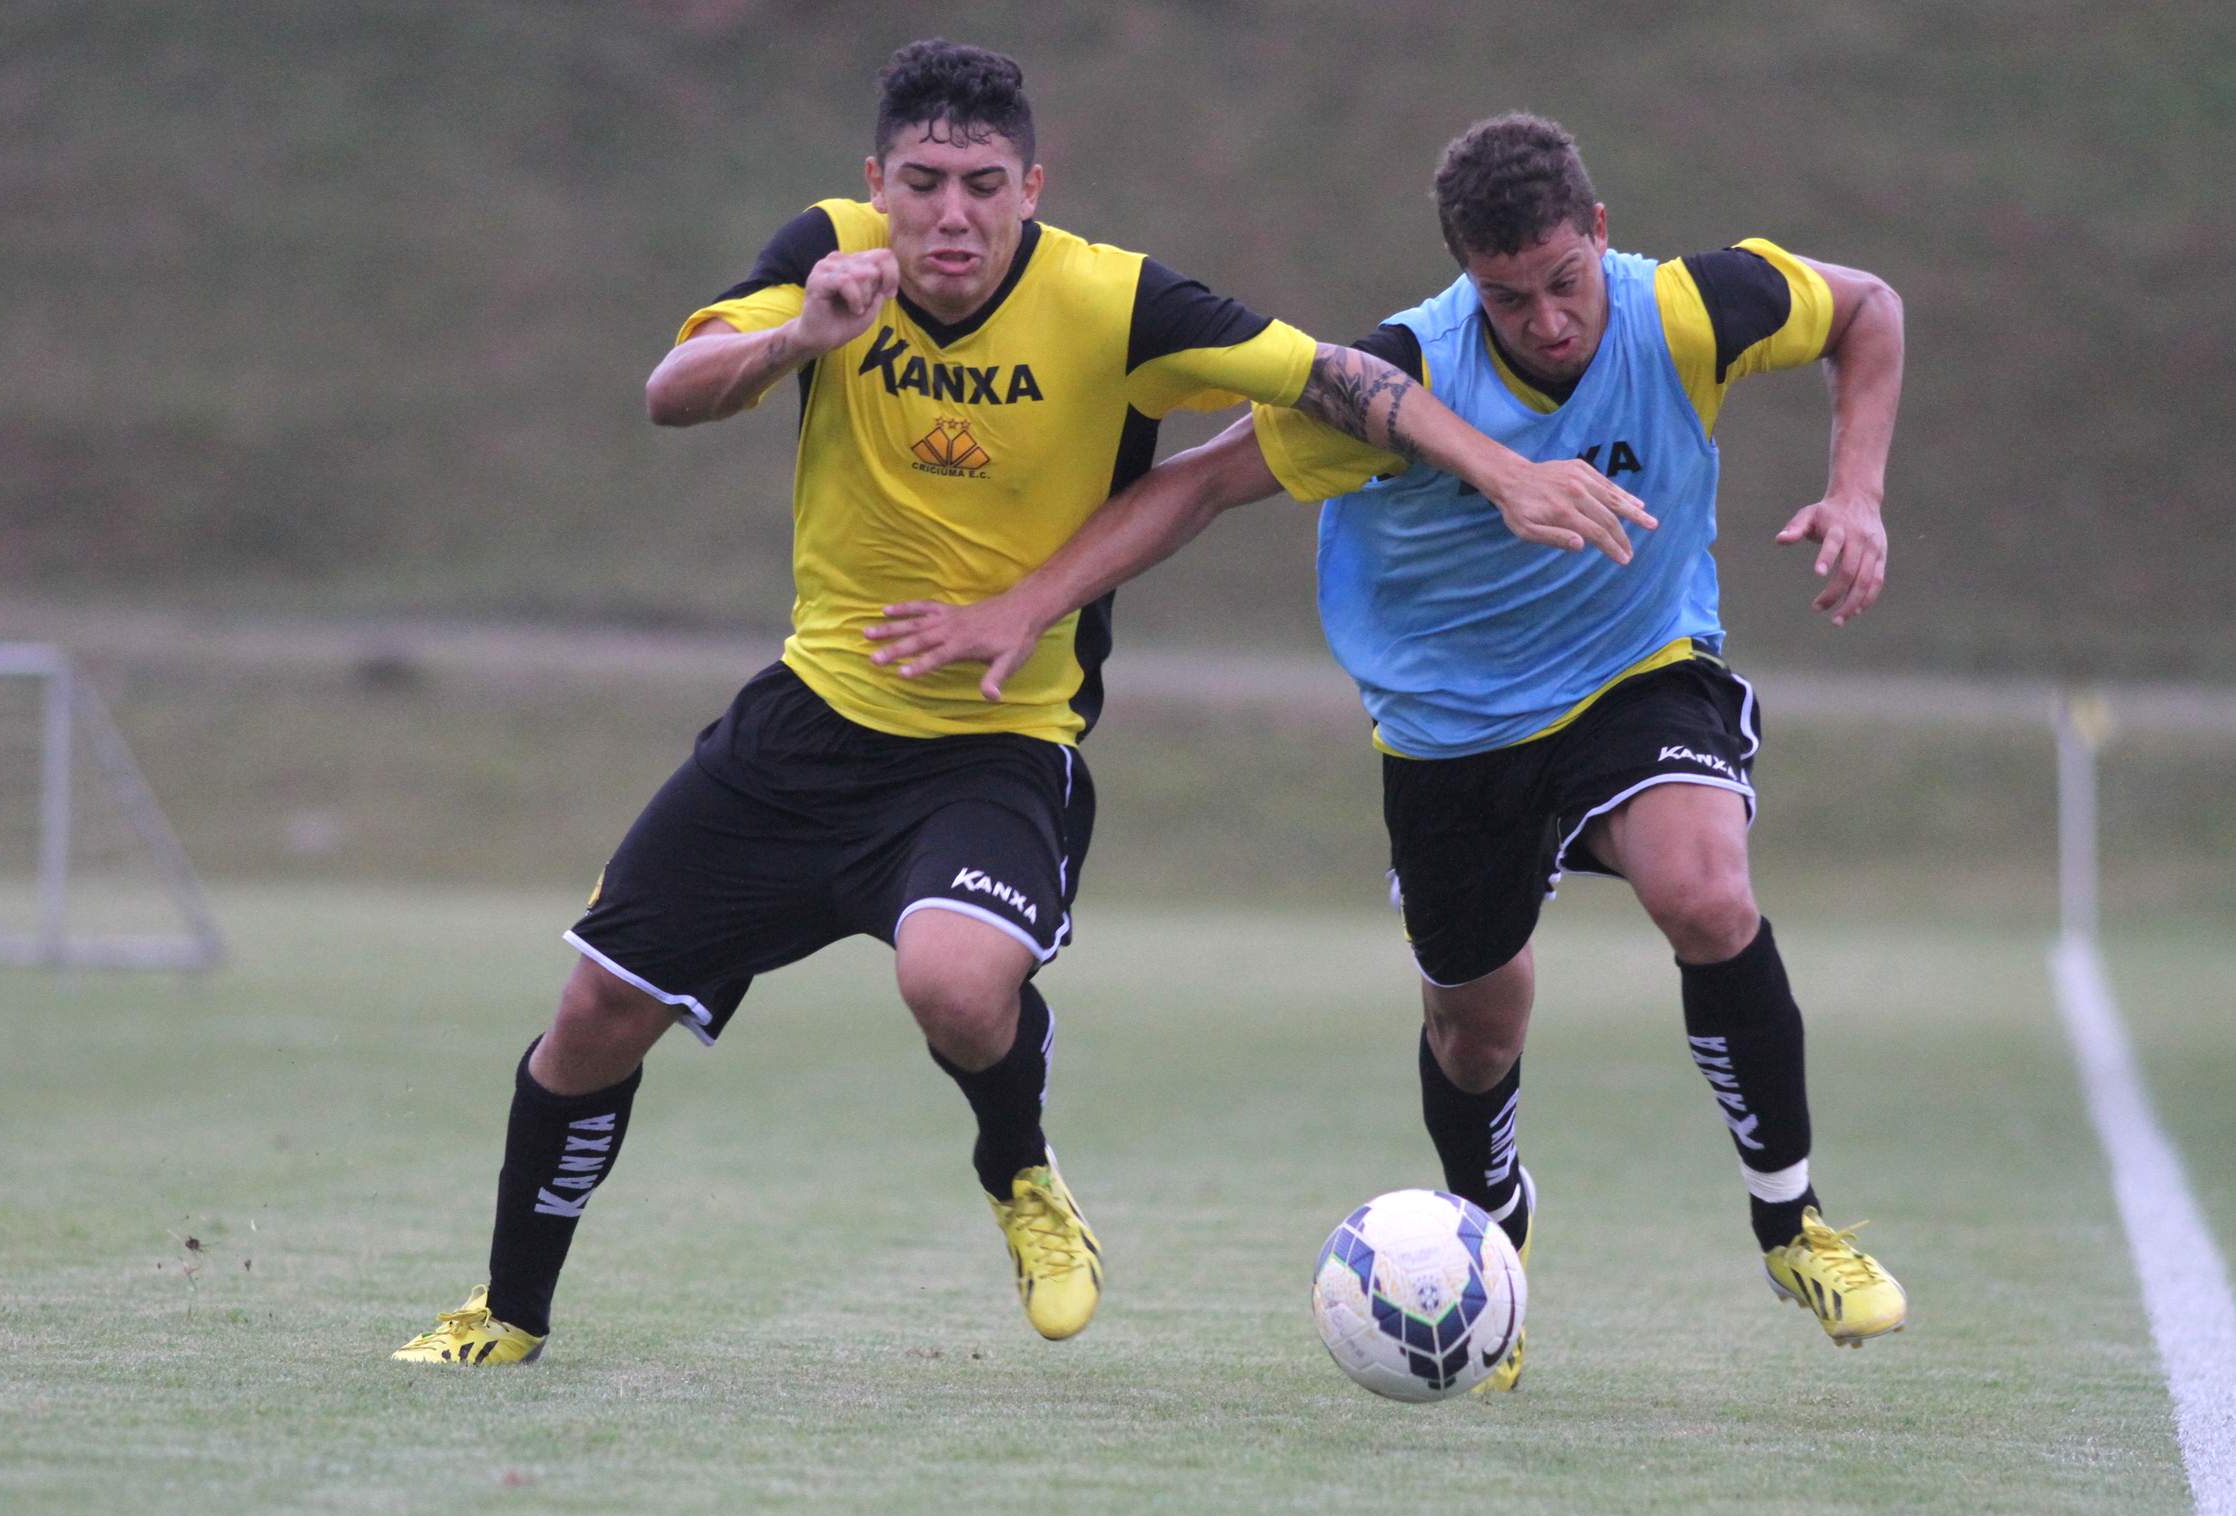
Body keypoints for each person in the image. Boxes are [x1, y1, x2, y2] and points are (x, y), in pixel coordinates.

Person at [393, 52, 1644, 1365]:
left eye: (983, 186)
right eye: (921, 184)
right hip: (809, 721)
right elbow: (673, 391)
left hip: (996, 741)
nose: (950, 215)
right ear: (879, 183)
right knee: (595, 1010)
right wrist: (800, 338)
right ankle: (510, 1312)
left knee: (954, 978)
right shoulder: (829, 255)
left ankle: (1021, 1170)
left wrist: (1507, 471)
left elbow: (1329, 377)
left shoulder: (1113, 300)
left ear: (1029, 189)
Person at [867, 112, 1909, 1388]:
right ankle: (1494, 1234)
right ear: (1468, 279)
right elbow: (1195, 484)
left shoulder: (1692, 310)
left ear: (1598, 233)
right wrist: (1029, 603)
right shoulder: (1399, 382)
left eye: (1564, 283)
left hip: (1634, 673)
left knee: (1704, 886)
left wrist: (1855, 490)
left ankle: (1791, 1219)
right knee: (1480, 1022)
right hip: (1449, 733)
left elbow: (1868, 311)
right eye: (1507, 297)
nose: (1546, 322)